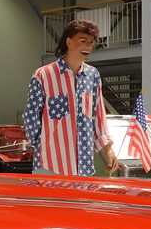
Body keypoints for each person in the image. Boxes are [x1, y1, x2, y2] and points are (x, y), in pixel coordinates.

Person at [23, 19, 118, 177]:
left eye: (91, 42)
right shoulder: (43, 75)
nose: (88, 47)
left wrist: (108, 149)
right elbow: (31, 117)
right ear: (68, 42)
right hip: (50, 166)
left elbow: (98, 115)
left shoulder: (93, 75)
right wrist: (44, 146)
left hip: (84, 167)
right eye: (83, 41)